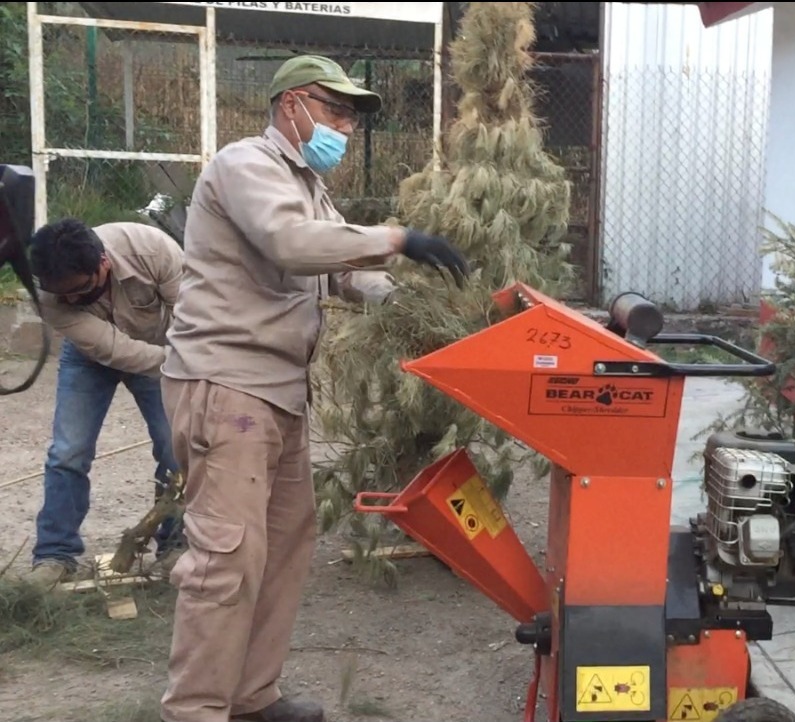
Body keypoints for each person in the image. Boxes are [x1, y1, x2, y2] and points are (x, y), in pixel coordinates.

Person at [158, 54, 469, 722]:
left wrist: (416, 312)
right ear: (292, 104)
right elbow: (292, 244)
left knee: (283, 544)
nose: (347, 127)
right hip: (229, 388)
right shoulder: (246, 166)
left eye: (352, 116)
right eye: (337, 110)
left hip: (278, 392)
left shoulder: (309, 186)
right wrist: (398, 237)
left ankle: (251, 696)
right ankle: (195, 711)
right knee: (226, 559)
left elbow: (337, 272)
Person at [20, 218, 187, 590]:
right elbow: (114, 350)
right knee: (68, 452)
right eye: (61, 295)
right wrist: (178, 361)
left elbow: (193, 315)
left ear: (103, 264)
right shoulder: (51, 294)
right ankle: (55, 555)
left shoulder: (153, 250)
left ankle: (175, 546)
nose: (71, 301)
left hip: (166, 347)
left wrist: (189, 360)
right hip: (90, 357)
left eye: (79, 292)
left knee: (176, 446)